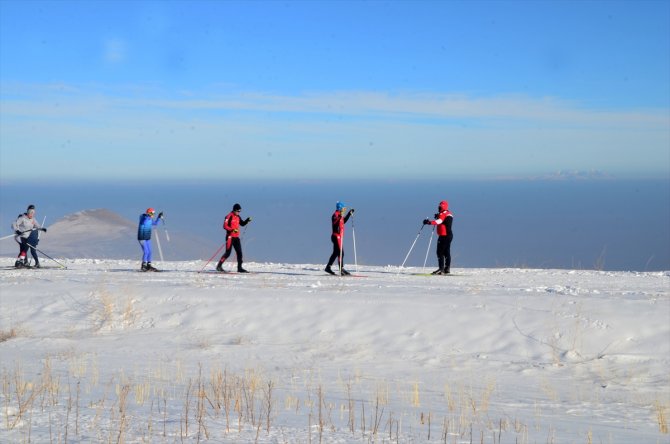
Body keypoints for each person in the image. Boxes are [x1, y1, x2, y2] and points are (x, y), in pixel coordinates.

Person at [216, 203, 252, 273]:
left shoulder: (238, 217)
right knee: (228, 253)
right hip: (230, 237)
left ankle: (239, 268)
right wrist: (232, 230)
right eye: (238, 211)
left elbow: (242, 224)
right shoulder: (229, 216)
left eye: (240, 211)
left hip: (236, 237)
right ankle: (219, 266)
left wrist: (247, 220)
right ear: (234, 210)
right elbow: (225, 226)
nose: (239, 212)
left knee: (239, 253)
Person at [423, 200, 454, 275]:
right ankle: (447, 269)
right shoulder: (448, 213)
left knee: (440, 252)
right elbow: (443, 220)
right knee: (446, 252)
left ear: (443, 207)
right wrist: (438, 216)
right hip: (449, 235)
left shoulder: (443, 214)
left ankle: (441, 269)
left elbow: (439, 221)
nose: (439, 208)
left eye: (440, 207)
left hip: (444, 236)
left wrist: (429, 222)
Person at [325, 201, 355, 275]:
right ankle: (341, 269)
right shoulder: (335, 215)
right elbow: (335, 222)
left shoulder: (340, 216)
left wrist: (349, 214)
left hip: (339, 237)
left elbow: (343, 221)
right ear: (340, 208)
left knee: (335, 253)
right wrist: (339, 217)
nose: (344, 210)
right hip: (336, 236)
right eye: (344, 208)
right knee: (341, 253)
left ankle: (328, 268)